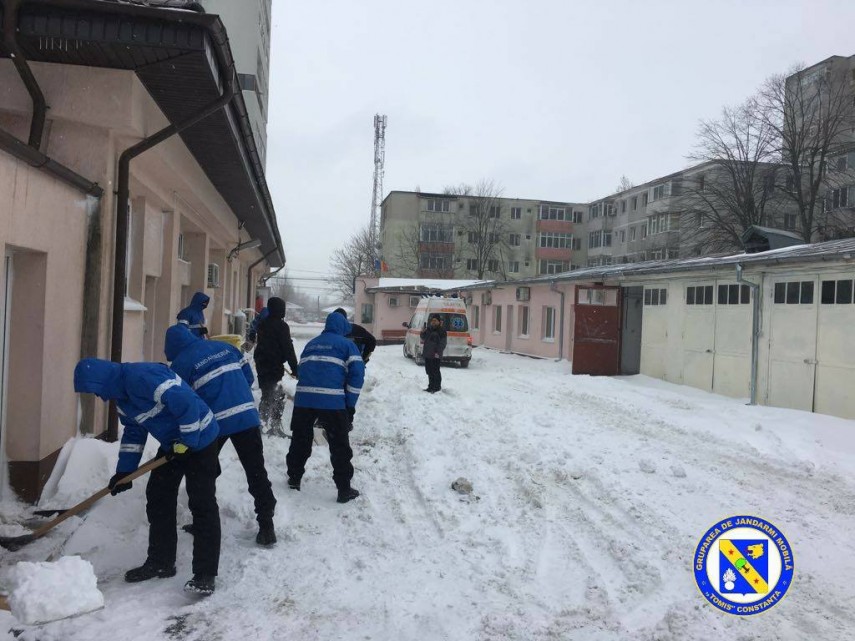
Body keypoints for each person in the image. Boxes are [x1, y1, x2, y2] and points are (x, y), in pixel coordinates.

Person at [73, 358, 221, 596]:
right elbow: (134, 432)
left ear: (103, 380)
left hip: (200, 437)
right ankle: (161, 562)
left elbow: (187, 404)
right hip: (174, 443)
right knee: (159, 495)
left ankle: (205, 573)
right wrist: (125, 472)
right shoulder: (122, 399)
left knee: (201, 502)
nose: (99, 397)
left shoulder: (142, 378)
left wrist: (188, 441)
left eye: (96, 390)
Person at [164, 324, 277, 546]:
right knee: (255, 471)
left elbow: (184, 402)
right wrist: (233, 394)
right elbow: (248, 377)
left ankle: (202, 522)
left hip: (215, 423)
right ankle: (267, 525)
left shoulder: (180, 364)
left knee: (202, 473)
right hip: (246, 416)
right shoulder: (226, 348)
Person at [286, 312, 364, 503]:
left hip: (304, 400)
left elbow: (301, 369)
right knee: (339, 445)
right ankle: (344, 489)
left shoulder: (311, 344)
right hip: (332, 402)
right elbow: (357, 377)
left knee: (300, 440)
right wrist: (349, 406)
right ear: (343, 327)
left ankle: (294, 477)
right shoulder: (348, 345)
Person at [253, 297, 299, 433]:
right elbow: (288, 348)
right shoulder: (281, 326)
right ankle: (273, 425)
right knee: (278, 396)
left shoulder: (263, 324)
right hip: (273, 366)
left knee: (267, 394)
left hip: (262, 364)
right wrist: (295, 368)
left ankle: (262, 423)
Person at [421, 314, 447, 393]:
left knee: (435, 371)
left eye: (435, 320)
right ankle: (430, 386)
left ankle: (436, 387)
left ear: (439, 322)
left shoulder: (442, 331)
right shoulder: (428, 329)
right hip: (428, 354)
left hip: (435, 355)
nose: (433, 322)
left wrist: (437, 353)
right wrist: (422, 332)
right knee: (429, 371)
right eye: (432, 321)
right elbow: (423, 337)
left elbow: (442, 344)